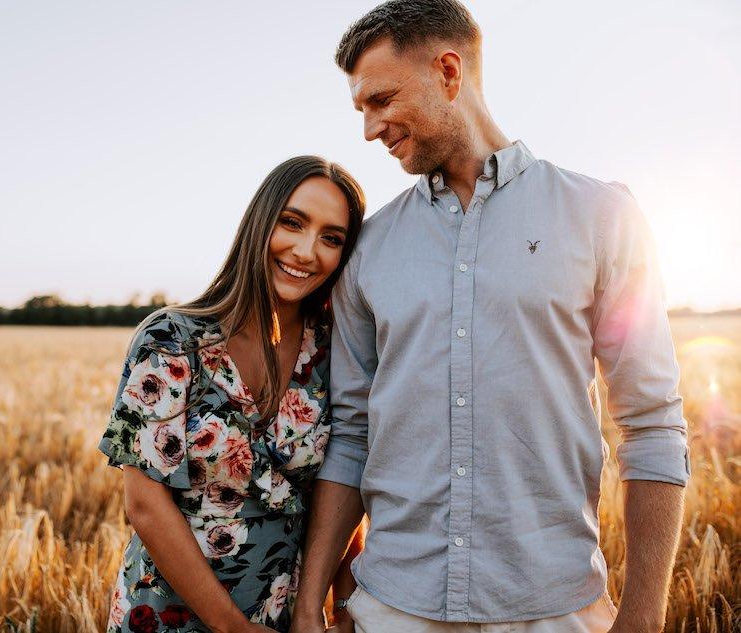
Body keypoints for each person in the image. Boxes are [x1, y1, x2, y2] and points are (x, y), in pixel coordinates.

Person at [290, 2, 690, 632]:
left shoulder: (601, 216)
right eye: (360, 109)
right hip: (393, 609)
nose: (369, 129)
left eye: (381, 100)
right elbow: (351, 431)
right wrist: (310, 595)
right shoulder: (370, 246)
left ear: (449, 71)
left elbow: (653, 422)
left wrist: (643, 618)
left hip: (554, 609)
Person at [99, 155, 366, 633]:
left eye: (332, 238)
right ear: (259, 223)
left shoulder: (333, 351)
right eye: (292, 223)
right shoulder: (170, 339)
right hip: (168, 617)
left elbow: (343, 481)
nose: (307, 251)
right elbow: (144, 502)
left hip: (285, 616)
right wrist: (232, 627)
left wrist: (339, 604)